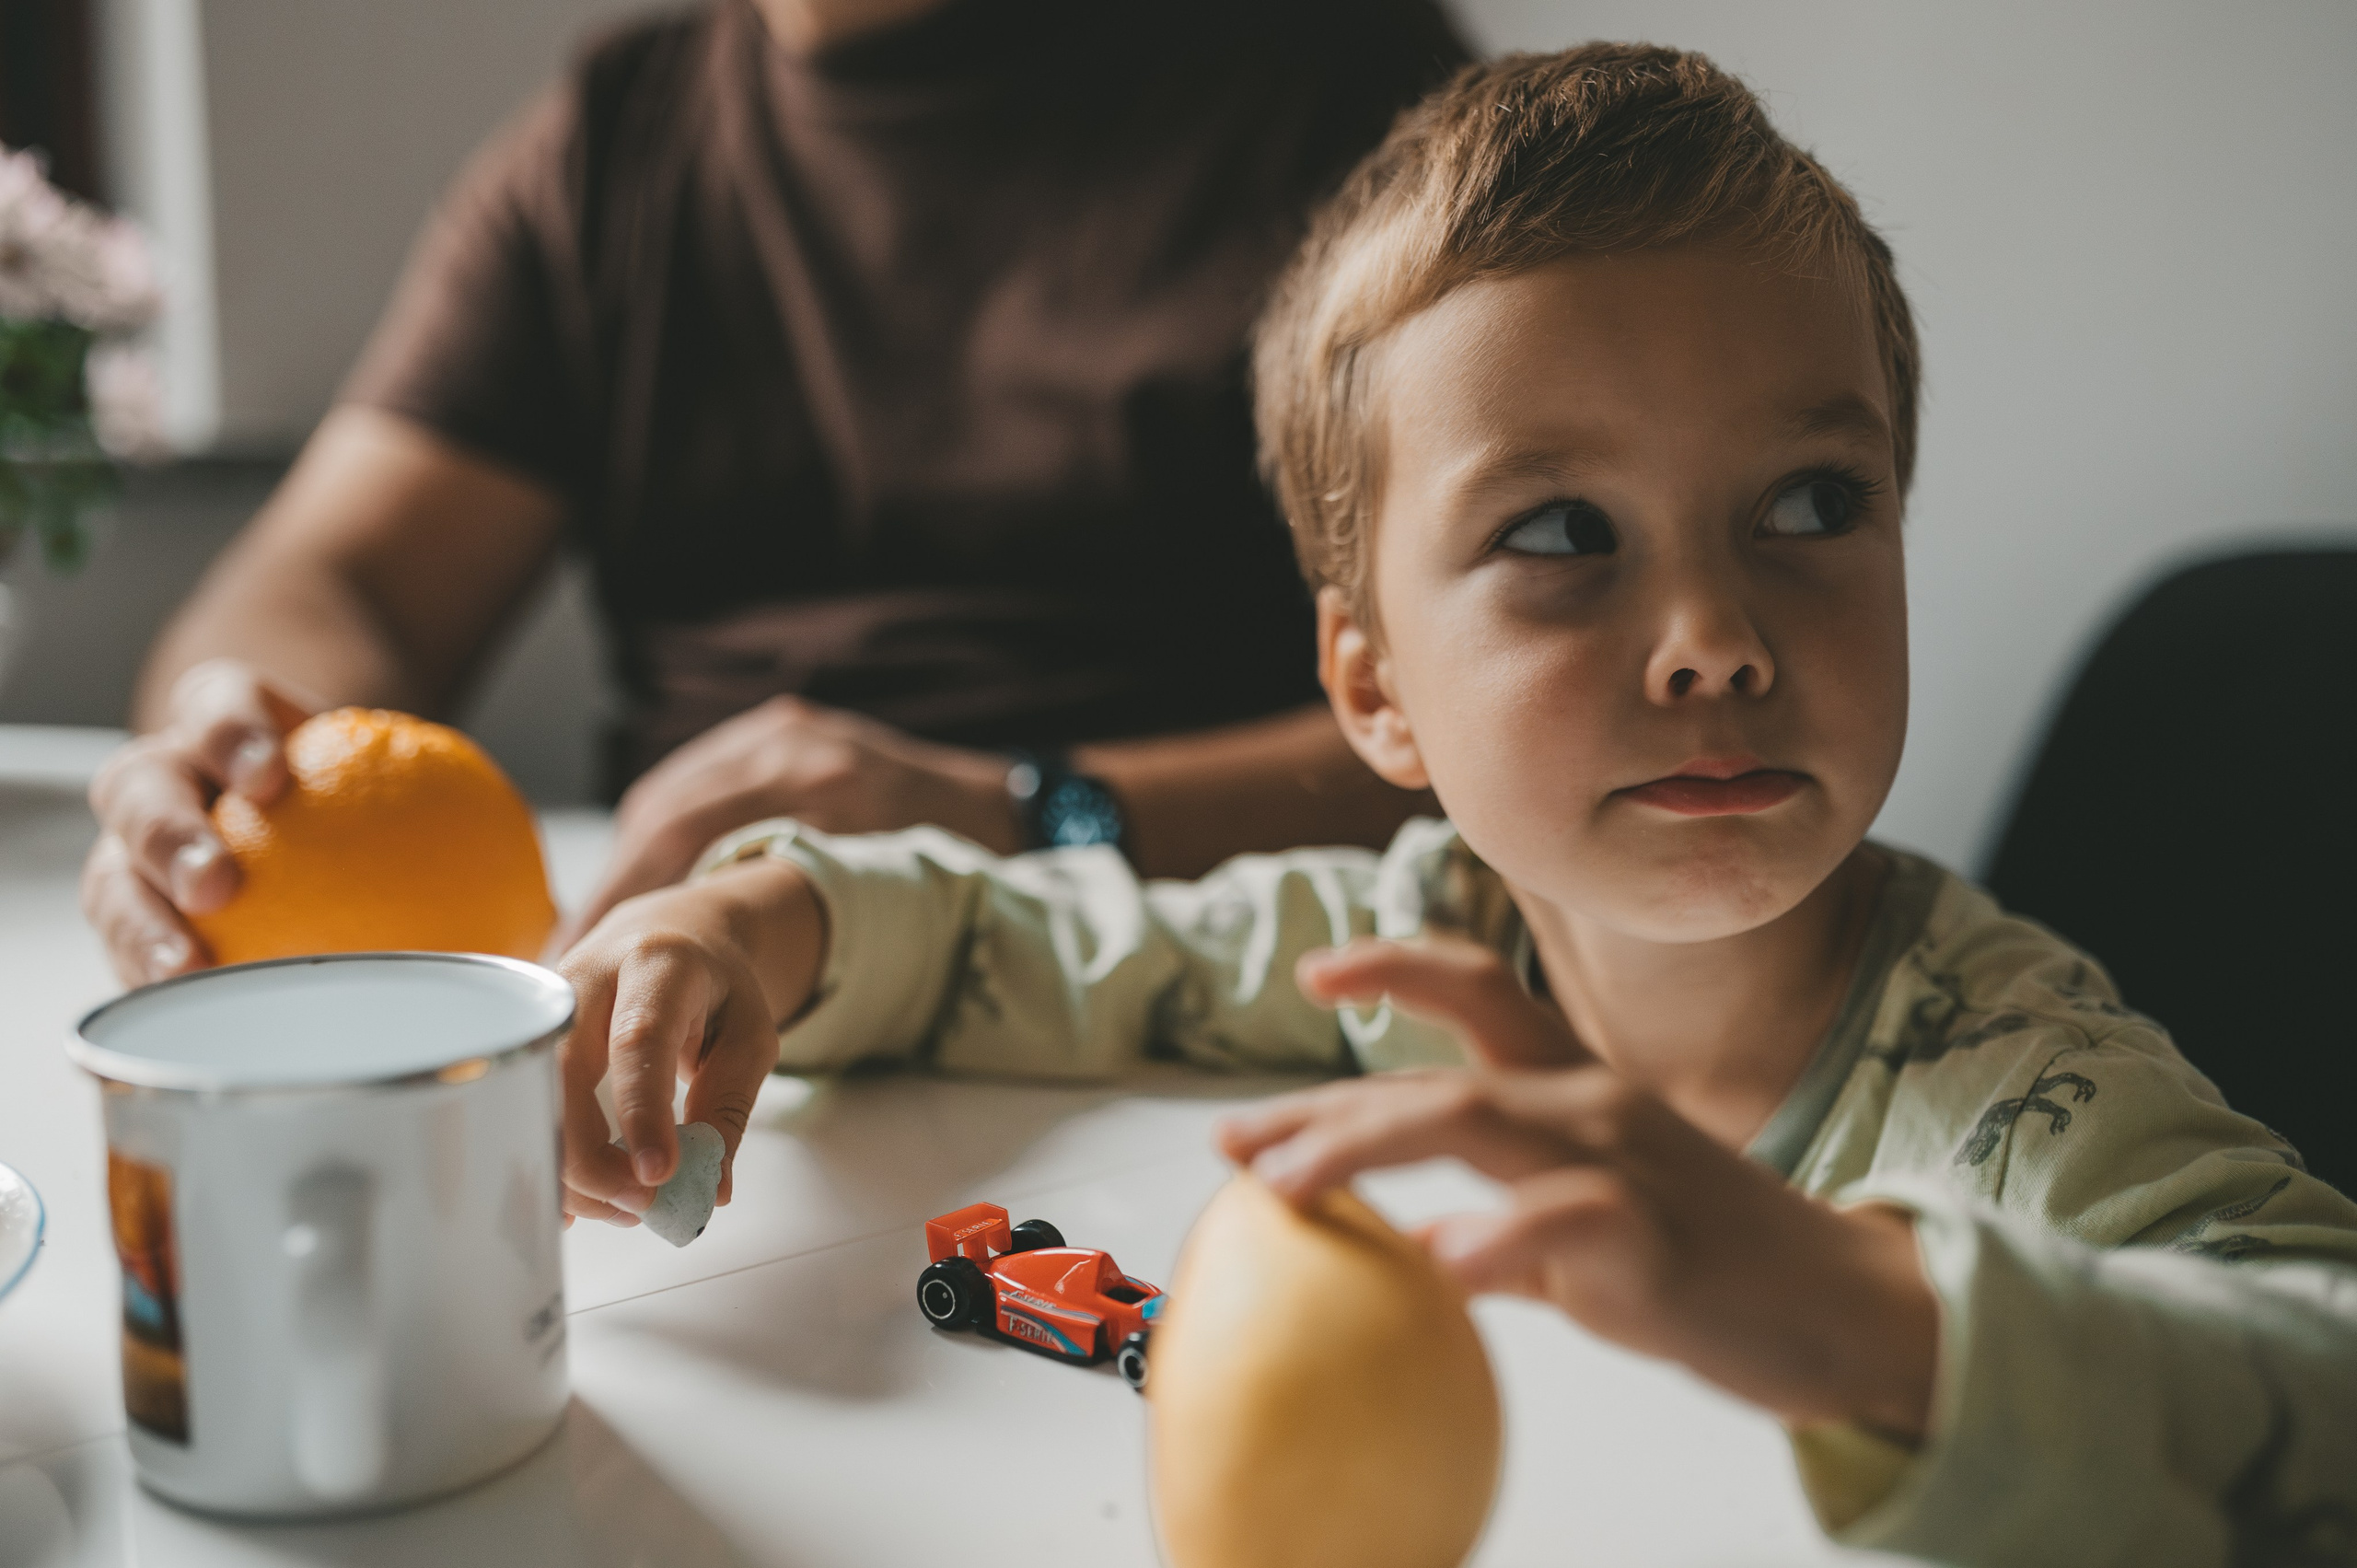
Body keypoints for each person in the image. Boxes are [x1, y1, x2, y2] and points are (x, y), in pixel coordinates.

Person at [554, 42, 2357, 1562]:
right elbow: (1002, 945)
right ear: (1372, 691)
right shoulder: (1411, 945)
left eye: (1809, 504)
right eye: (1564, 535)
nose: (1714, 642)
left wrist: (1863, 1317)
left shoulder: (2019, 1095)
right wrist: (749, 921)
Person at [78, 0, 1469, 987]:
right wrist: (245, 756)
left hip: (1167, 985)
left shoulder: (1335, 88)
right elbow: (331, 580)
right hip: (691, 1013)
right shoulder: (613, 146)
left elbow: (1504, 711)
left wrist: (1013, 816)